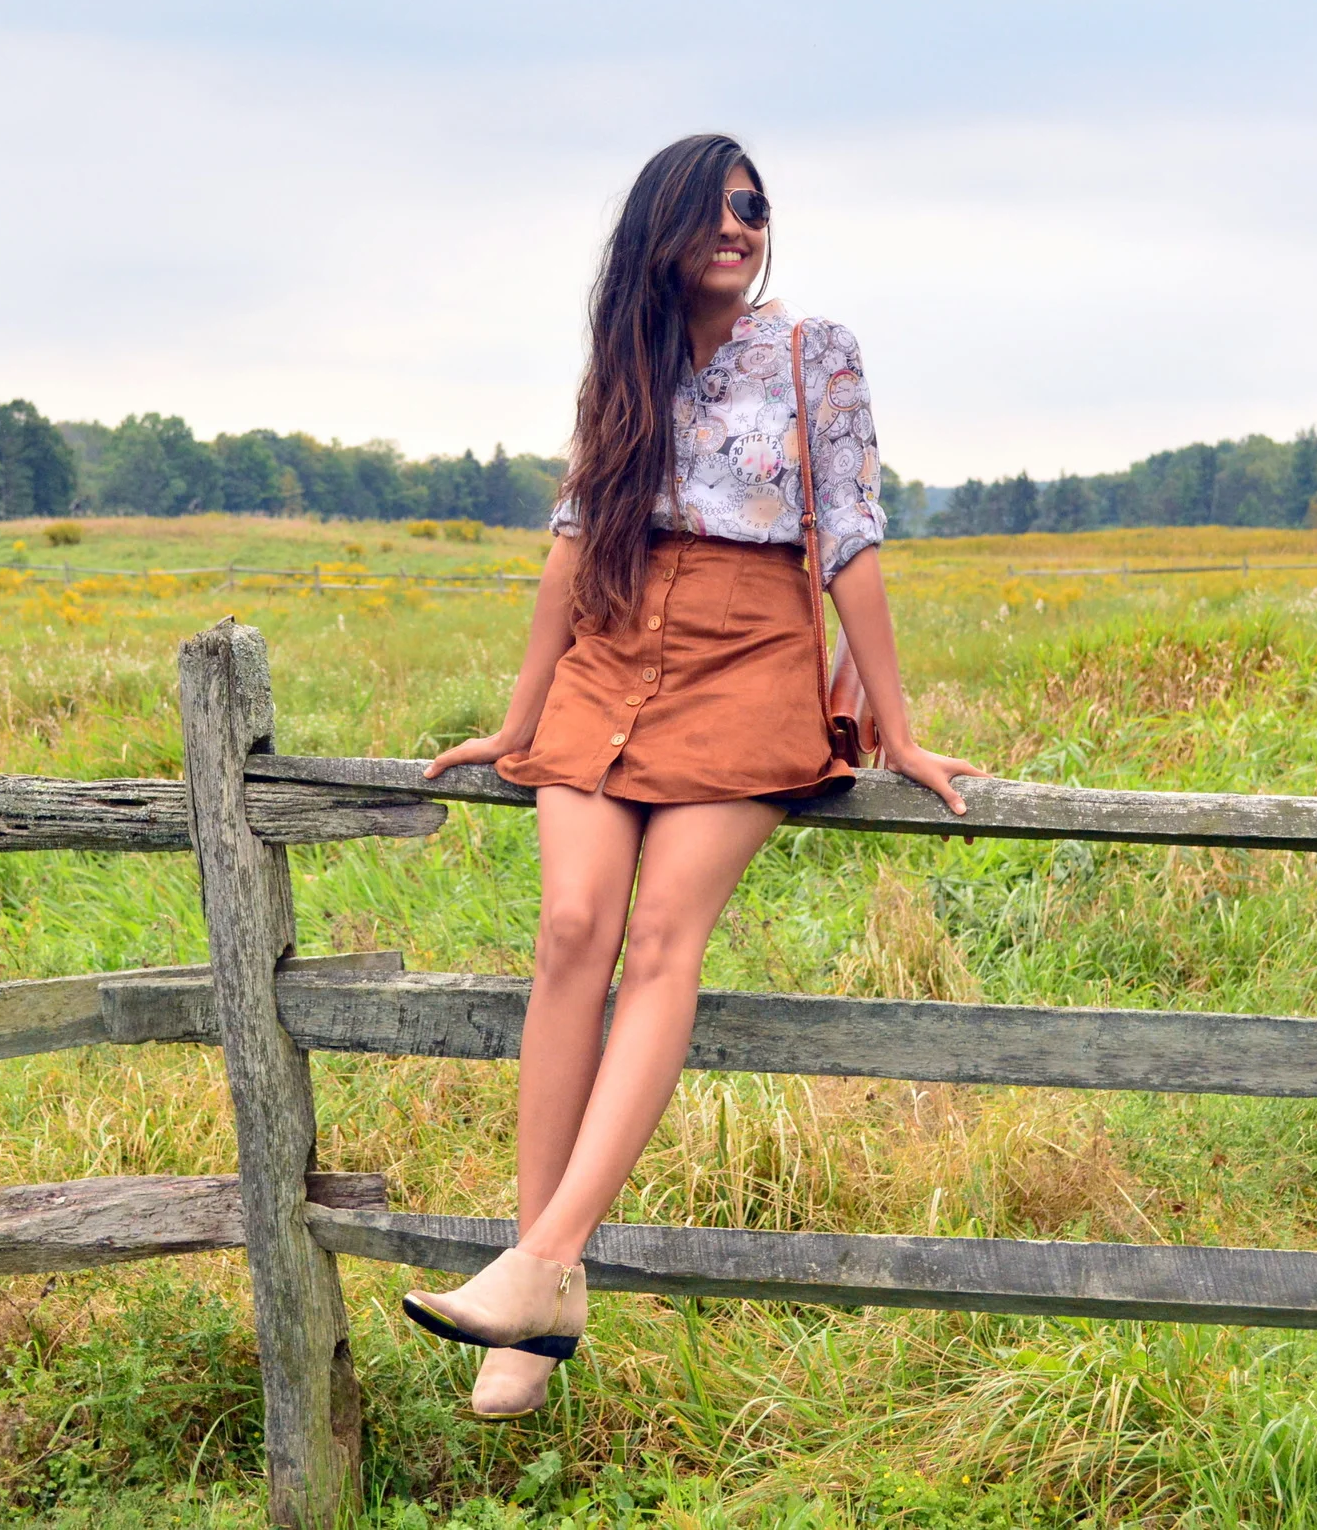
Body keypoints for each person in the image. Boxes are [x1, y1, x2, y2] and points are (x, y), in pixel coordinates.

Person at [409, 133, 986, 1418]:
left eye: (754, 208)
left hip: (747, 652)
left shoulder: (810, 346)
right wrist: (515, 724)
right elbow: (570, 542)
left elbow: (851, 536)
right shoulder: (624, 362)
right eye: (716, 209)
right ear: (658, 229)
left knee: (664, 935)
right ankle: (531, 1298)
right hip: (614, 645)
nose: (739, 226)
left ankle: (544, 1264)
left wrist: (892, 725)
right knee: (570, 930)